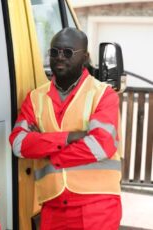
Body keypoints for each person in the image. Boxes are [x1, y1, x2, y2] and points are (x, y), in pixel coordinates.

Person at [9, 27, 122, 230]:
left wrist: (45, 149)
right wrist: (69, 137)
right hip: (52, 208)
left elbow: (100, 145)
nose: (60, 57)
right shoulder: (35, 98)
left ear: (85, 57)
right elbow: (18, 144)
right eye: (54, 52)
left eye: (68, 52)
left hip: (96, 207)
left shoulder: (102, 94)